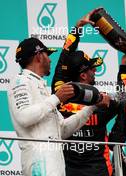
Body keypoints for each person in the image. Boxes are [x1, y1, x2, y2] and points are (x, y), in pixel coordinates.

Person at [7, 37, 109, 175]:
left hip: (55, 165)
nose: (49, 60)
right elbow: (24, 117)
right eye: (47, 55)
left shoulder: (40, 86)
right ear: (38, 56)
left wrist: (91, 108)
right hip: (39, 163)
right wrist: (56, 98)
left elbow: (63, 130)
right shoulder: (20, 81)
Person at [51, 10, 126, 176]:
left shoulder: (59, 94)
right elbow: (125, 99)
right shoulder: (101, 100)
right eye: (92, 68)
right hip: (99, 171)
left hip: (67, 171)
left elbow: (63, 60)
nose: (95, 70)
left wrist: (77, 28)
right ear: (83, 75)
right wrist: (124, 65)